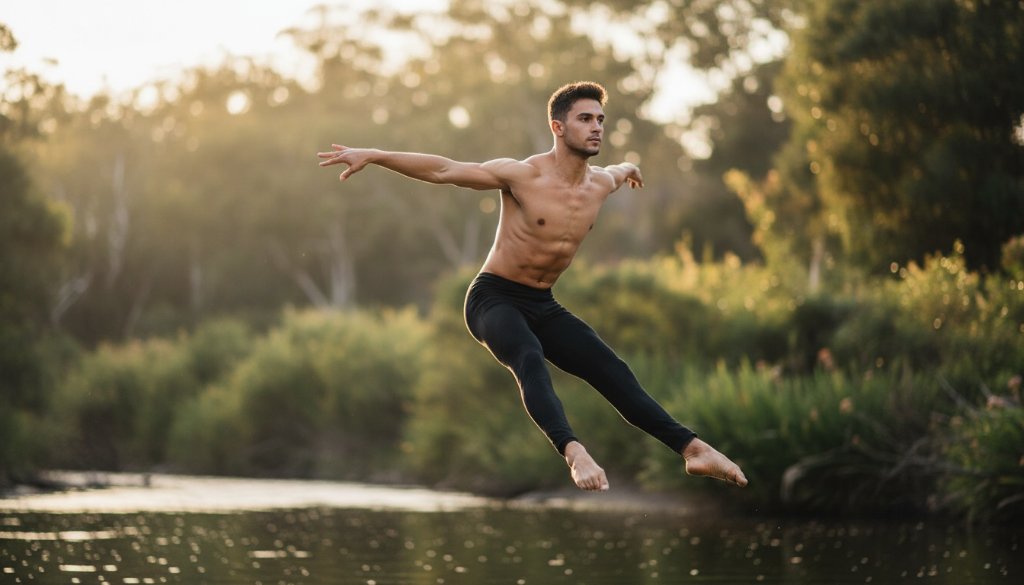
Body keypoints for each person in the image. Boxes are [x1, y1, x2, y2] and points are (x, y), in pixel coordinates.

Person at [318, 81, 747, 492]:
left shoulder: (600, 183)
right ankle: (574, 452)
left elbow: (620, 170)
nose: (597, 126)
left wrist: (632, 167)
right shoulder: (523, 176)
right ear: (558, 127)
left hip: (542, 302)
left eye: (600, 119)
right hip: (493, 297)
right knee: (529, 356)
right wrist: (375, 154)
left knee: (611, 369)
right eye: (585, 118)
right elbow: (445, 169)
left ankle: (694, 450)